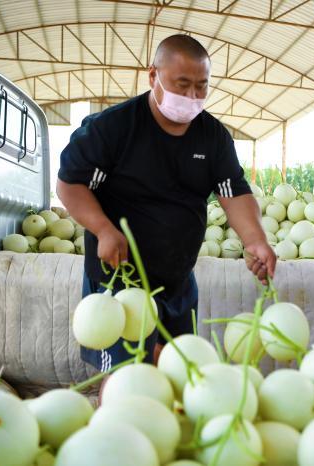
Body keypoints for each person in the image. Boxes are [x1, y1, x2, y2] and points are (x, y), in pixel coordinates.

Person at [57, 34, 276, 373]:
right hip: (120, 284)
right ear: (153, 76)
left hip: (177, 283)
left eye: (201, 87)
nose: (191, 96)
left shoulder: (213, 136)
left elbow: (234, 190)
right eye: (182, 84)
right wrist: (103, 230)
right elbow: (71, 184)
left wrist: (255, 240)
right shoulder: (113, 128)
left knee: (176, 374)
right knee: (125, 380)